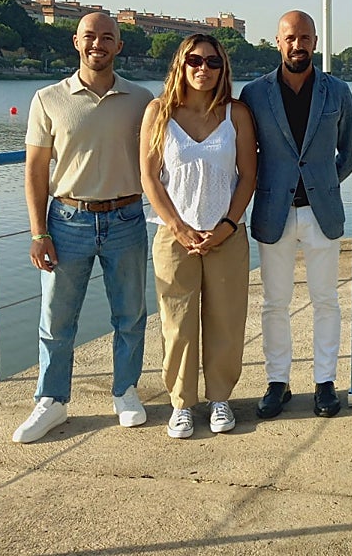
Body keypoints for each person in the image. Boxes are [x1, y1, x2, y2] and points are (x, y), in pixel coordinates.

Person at [13, 12, 154, 443]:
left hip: (126, 217)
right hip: (67, 220)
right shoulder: (48, 99)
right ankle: (52, 400)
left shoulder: (141, 99)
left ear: (119, 46)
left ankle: (125, 391)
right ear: (76, 41)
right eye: (90, 36)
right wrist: (38, 232)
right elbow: (35, 170)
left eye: (107, 38)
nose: (98, 44)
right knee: (56, 319)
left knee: (130, 314)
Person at [239, 10, 352, 419]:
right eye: (290, 38)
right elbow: (245, 153)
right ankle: (278, 382)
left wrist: (323, 182)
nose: (298, 45)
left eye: (305, 37)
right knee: (274, 302)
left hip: (322, 212)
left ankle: (325, 382)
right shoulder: (254, 94)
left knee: (326, 301)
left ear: (315, 42)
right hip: (274, 211)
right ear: (278, 41)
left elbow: (349, 152)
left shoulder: (337, 91)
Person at [140, 34, 257, 439]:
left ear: (223, 69)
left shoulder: (236, 114)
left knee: (227, 320)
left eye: (212, 62)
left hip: (226, 235)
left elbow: (248, 176)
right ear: (181, 64)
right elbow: (149, 178)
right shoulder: (159, 112)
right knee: (177, 323)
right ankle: (182, 404)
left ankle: (220, 399)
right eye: (194, 60)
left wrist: (227, 226)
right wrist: (178, 226)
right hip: (174, 236)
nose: (203, 68)